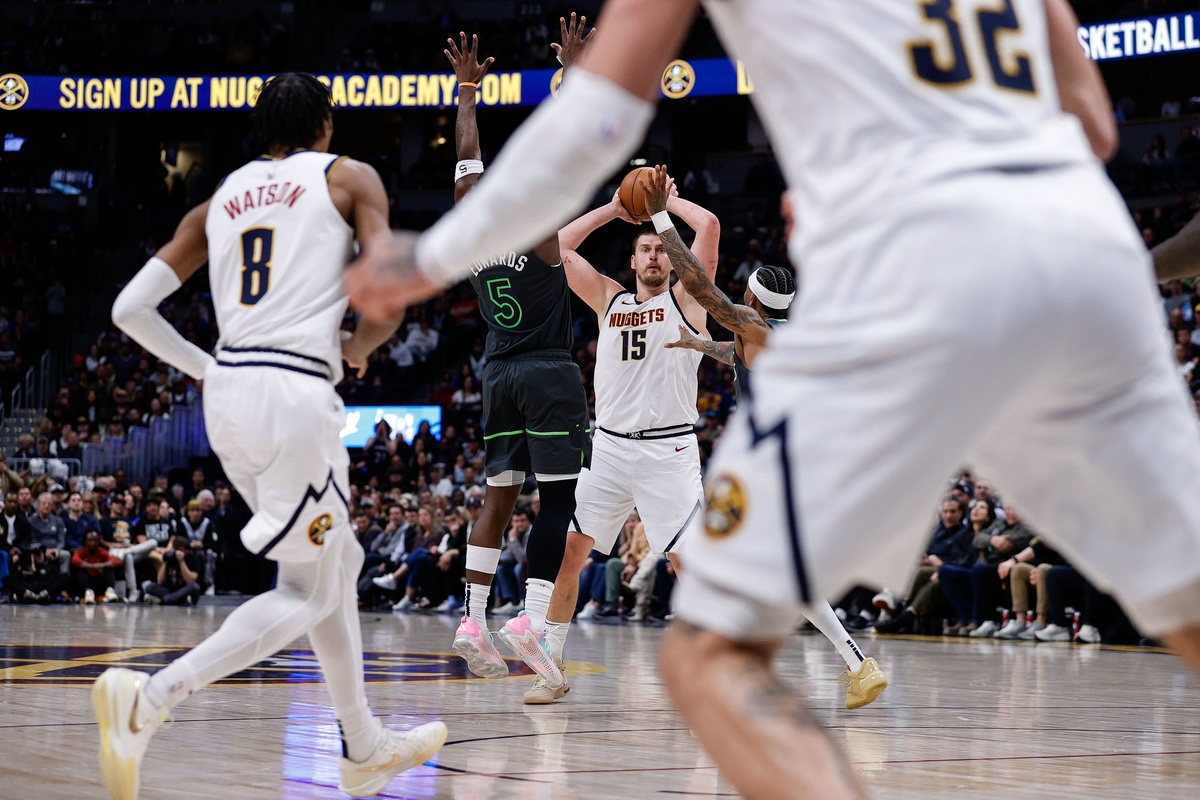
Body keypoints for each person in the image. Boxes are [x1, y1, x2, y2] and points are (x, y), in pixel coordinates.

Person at [345, 2, 1200, 797]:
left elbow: (599, 122)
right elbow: (1090, 126)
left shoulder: (672, 279)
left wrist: (431, 256)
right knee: (1187, 592)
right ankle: (550, 650)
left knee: (709, 651)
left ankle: (835, 679)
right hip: (1086, 256)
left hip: (913, 270)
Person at [94, 72, 445, 800]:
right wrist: (362, 346)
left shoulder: (216, 198)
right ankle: (152, 698)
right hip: (293, 391)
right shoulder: (347, 176)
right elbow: (386, 289)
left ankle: (363, 743)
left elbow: (130, 308)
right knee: (311, 586)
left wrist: (207, 367)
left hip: (230, 397)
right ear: (325, 125)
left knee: (334, 563)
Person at [651, 167, 886, 709]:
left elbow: (696, 284)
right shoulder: (778, 334)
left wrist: (662, 216)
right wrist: (698, 345)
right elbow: (739, 355)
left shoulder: (750, 326)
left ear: (750, 301)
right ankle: (856, 662)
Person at [439, 29, 590, 698]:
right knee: (558, 497)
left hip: (495, 373)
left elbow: (466, 159)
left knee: (498, 496)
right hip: (547, 371)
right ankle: (529, 618)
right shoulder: (540, 231)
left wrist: (468, 94)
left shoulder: (472, 225)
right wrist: (574, 79)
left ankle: (472, 622)